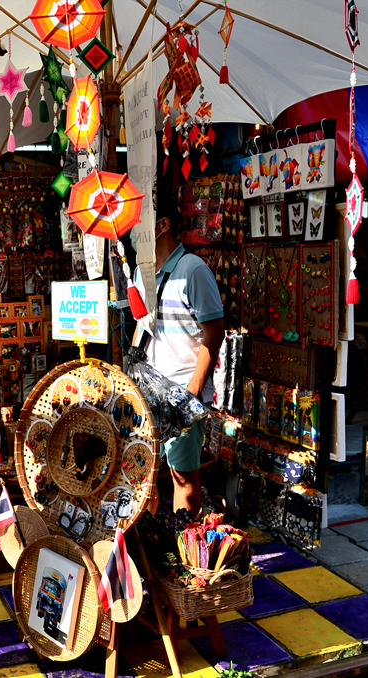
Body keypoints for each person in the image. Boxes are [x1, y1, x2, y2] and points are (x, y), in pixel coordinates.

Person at [129, 178, 224, 518]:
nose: (134, 233)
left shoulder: (193, 270)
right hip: (149, 390)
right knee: (146, 473)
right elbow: (143, 327)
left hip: (182, 388)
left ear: (162, 225)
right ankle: (162, 537)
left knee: (183, 476)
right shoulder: (141, 273)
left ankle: (188, 540)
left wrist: (192, 392)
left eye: (140, 224)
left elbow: (214, 332)